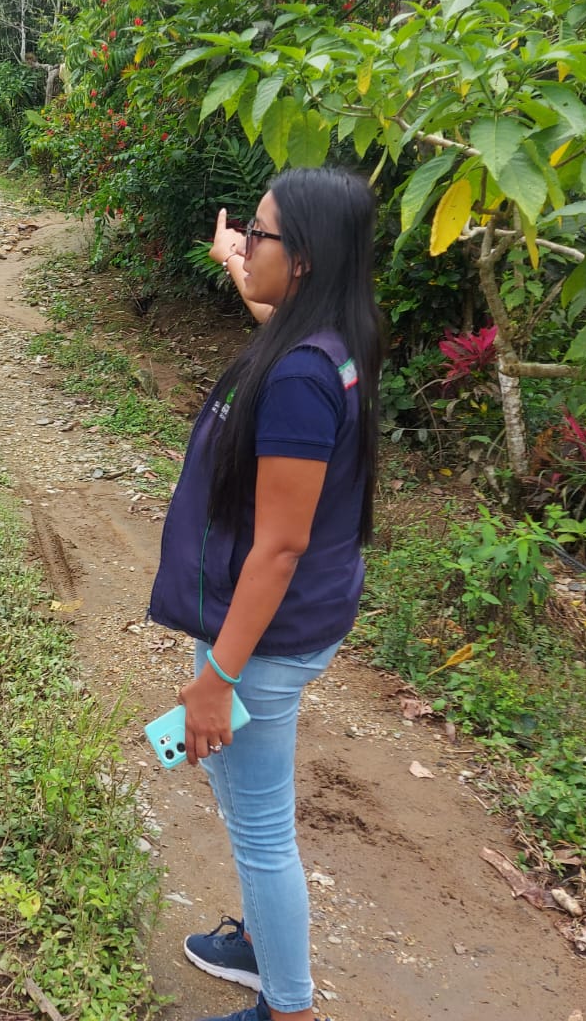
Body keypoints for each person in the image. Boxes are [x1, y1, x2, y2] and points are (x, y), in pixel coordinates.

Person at [145, 167, 384, 1021]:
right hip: (306, 619)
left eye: (260, 233)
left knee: (260, 828)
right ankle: (259, 940)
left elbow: (279, 546)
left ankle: (287, 1005)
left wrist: (217, 679)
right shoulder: (331, 342)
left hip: (265, 637)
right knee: (233, 780)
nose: (247, 242)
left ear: (306, 257)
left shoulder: (295, 383)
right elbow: (270, 321)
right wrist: (236, 267)